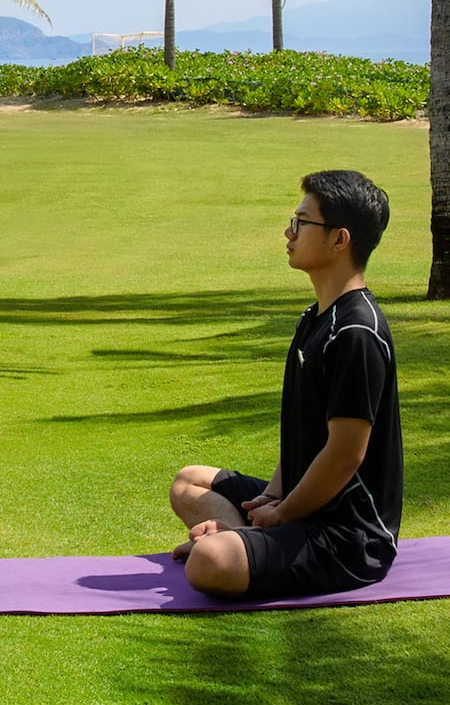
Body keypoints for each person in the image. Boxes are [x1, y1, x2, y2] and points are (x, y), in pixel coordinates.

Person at [169, 169, 401, 600]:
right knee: (189, 482)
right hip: (302, 504)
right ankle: (240, 536)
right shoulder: (314, 319)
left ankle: (232, 543)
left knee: (208, 562)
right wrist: (272, 497)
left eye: (301, 222)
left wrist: (285, 512)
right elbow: (305, 431)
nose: (288, 232)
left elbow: (345, 454)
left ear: (339, 239)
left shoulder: (356, 334)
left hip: (348, 537)